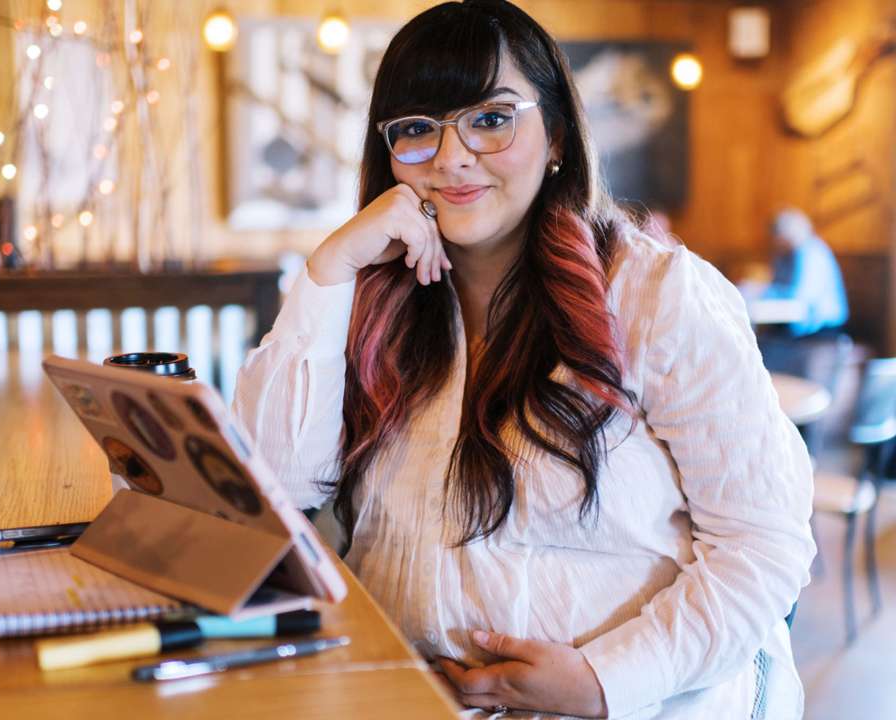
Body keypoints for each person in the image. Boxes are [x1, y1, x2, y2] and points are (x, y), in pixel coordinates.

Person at [233, 2, 816, 718]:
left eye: (491, 118)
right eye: (417, 129)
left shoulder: (655, 295)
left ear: (557, 138)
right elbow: (272, 496)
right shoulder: (371, 302)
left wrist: (606, 680)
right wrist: (328, 271)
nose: (451, 157)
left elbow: (765, 546)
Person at [760, 208, 849, 337]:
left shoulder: (810, 252)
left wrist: (763, 291)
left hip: (822, 327)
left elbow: (799, 296)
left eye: (779, 237)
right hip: (796, 324)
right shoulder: (783, 255)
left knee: (770, 346)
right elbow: (777, 284)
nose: (776, 242)